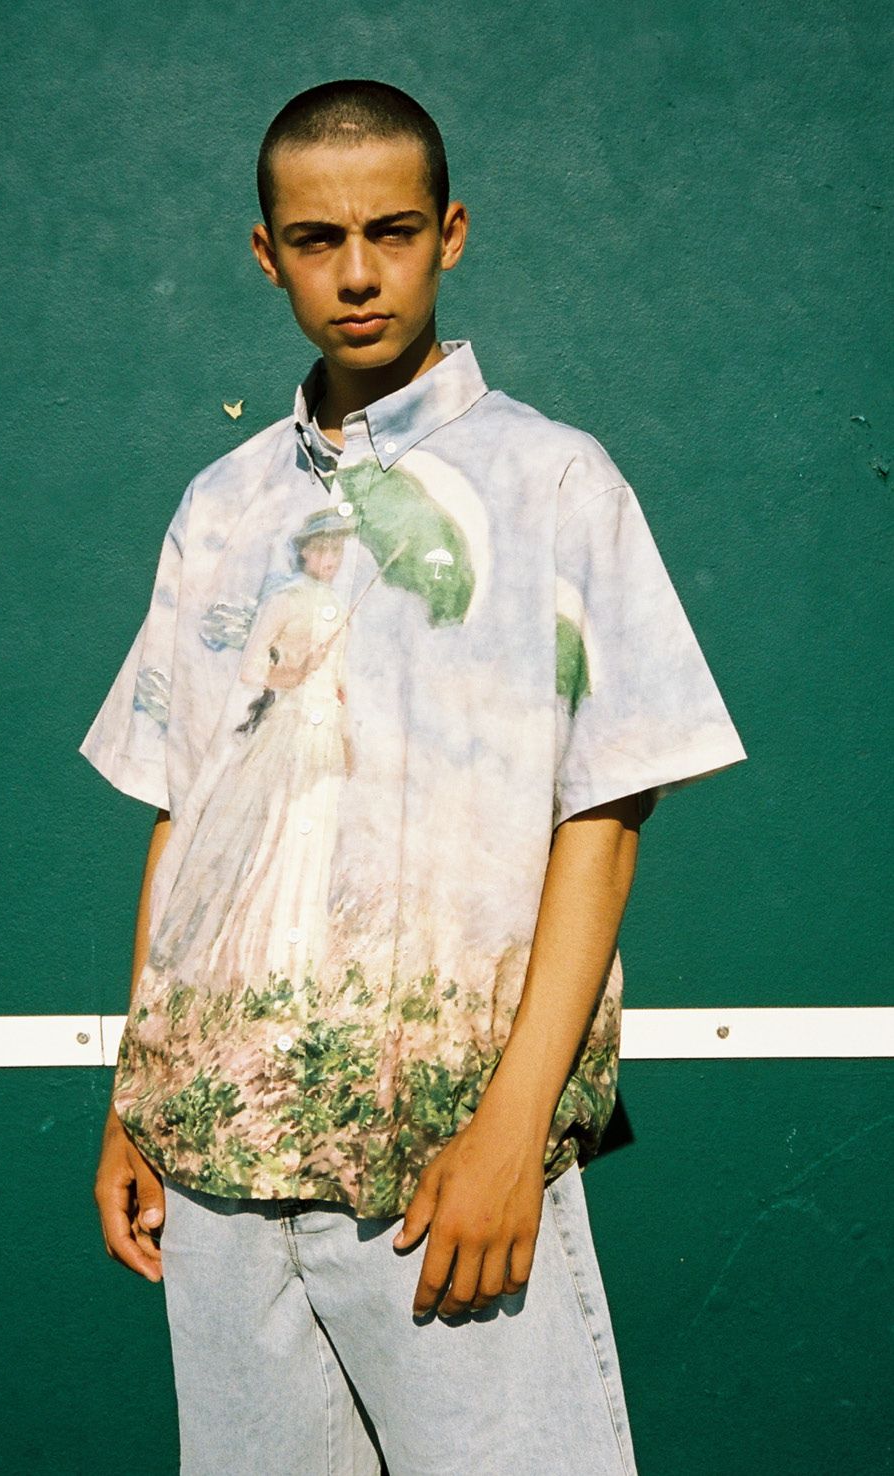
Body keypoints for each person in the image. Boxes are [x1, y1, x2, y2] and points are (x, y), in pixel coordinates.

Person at [80, 79, 747, 1476]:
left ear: (450, 234)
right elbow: (185, 820)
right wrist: (139, 1098)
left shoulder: (555, 483)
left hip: (445, 1170)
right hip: (217, 1165)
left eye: (390, 232)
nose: (358, 273)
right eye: (317, 240)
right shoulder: (222, 504)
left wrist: (510, 1134)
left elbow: (605, 820)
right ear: (266, 254)